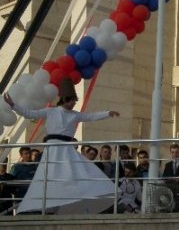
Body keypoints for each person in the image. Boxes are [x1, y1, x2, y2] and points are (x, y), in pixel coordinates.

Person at [2, 78, 120, 214]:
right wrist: (13, 105)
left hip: (67, 149)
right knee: (50, 177)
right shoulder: (50, 111)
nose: (73, 104)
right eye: (71, 101)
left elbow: (90, 116)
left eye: (75, 101)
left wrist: (107, 113)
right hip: (52, 149)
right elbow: (29, 113)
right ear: (64, 99)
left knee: (76, 173)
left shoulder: (75, 115)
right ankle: (48, 207)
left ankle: (70, 202)